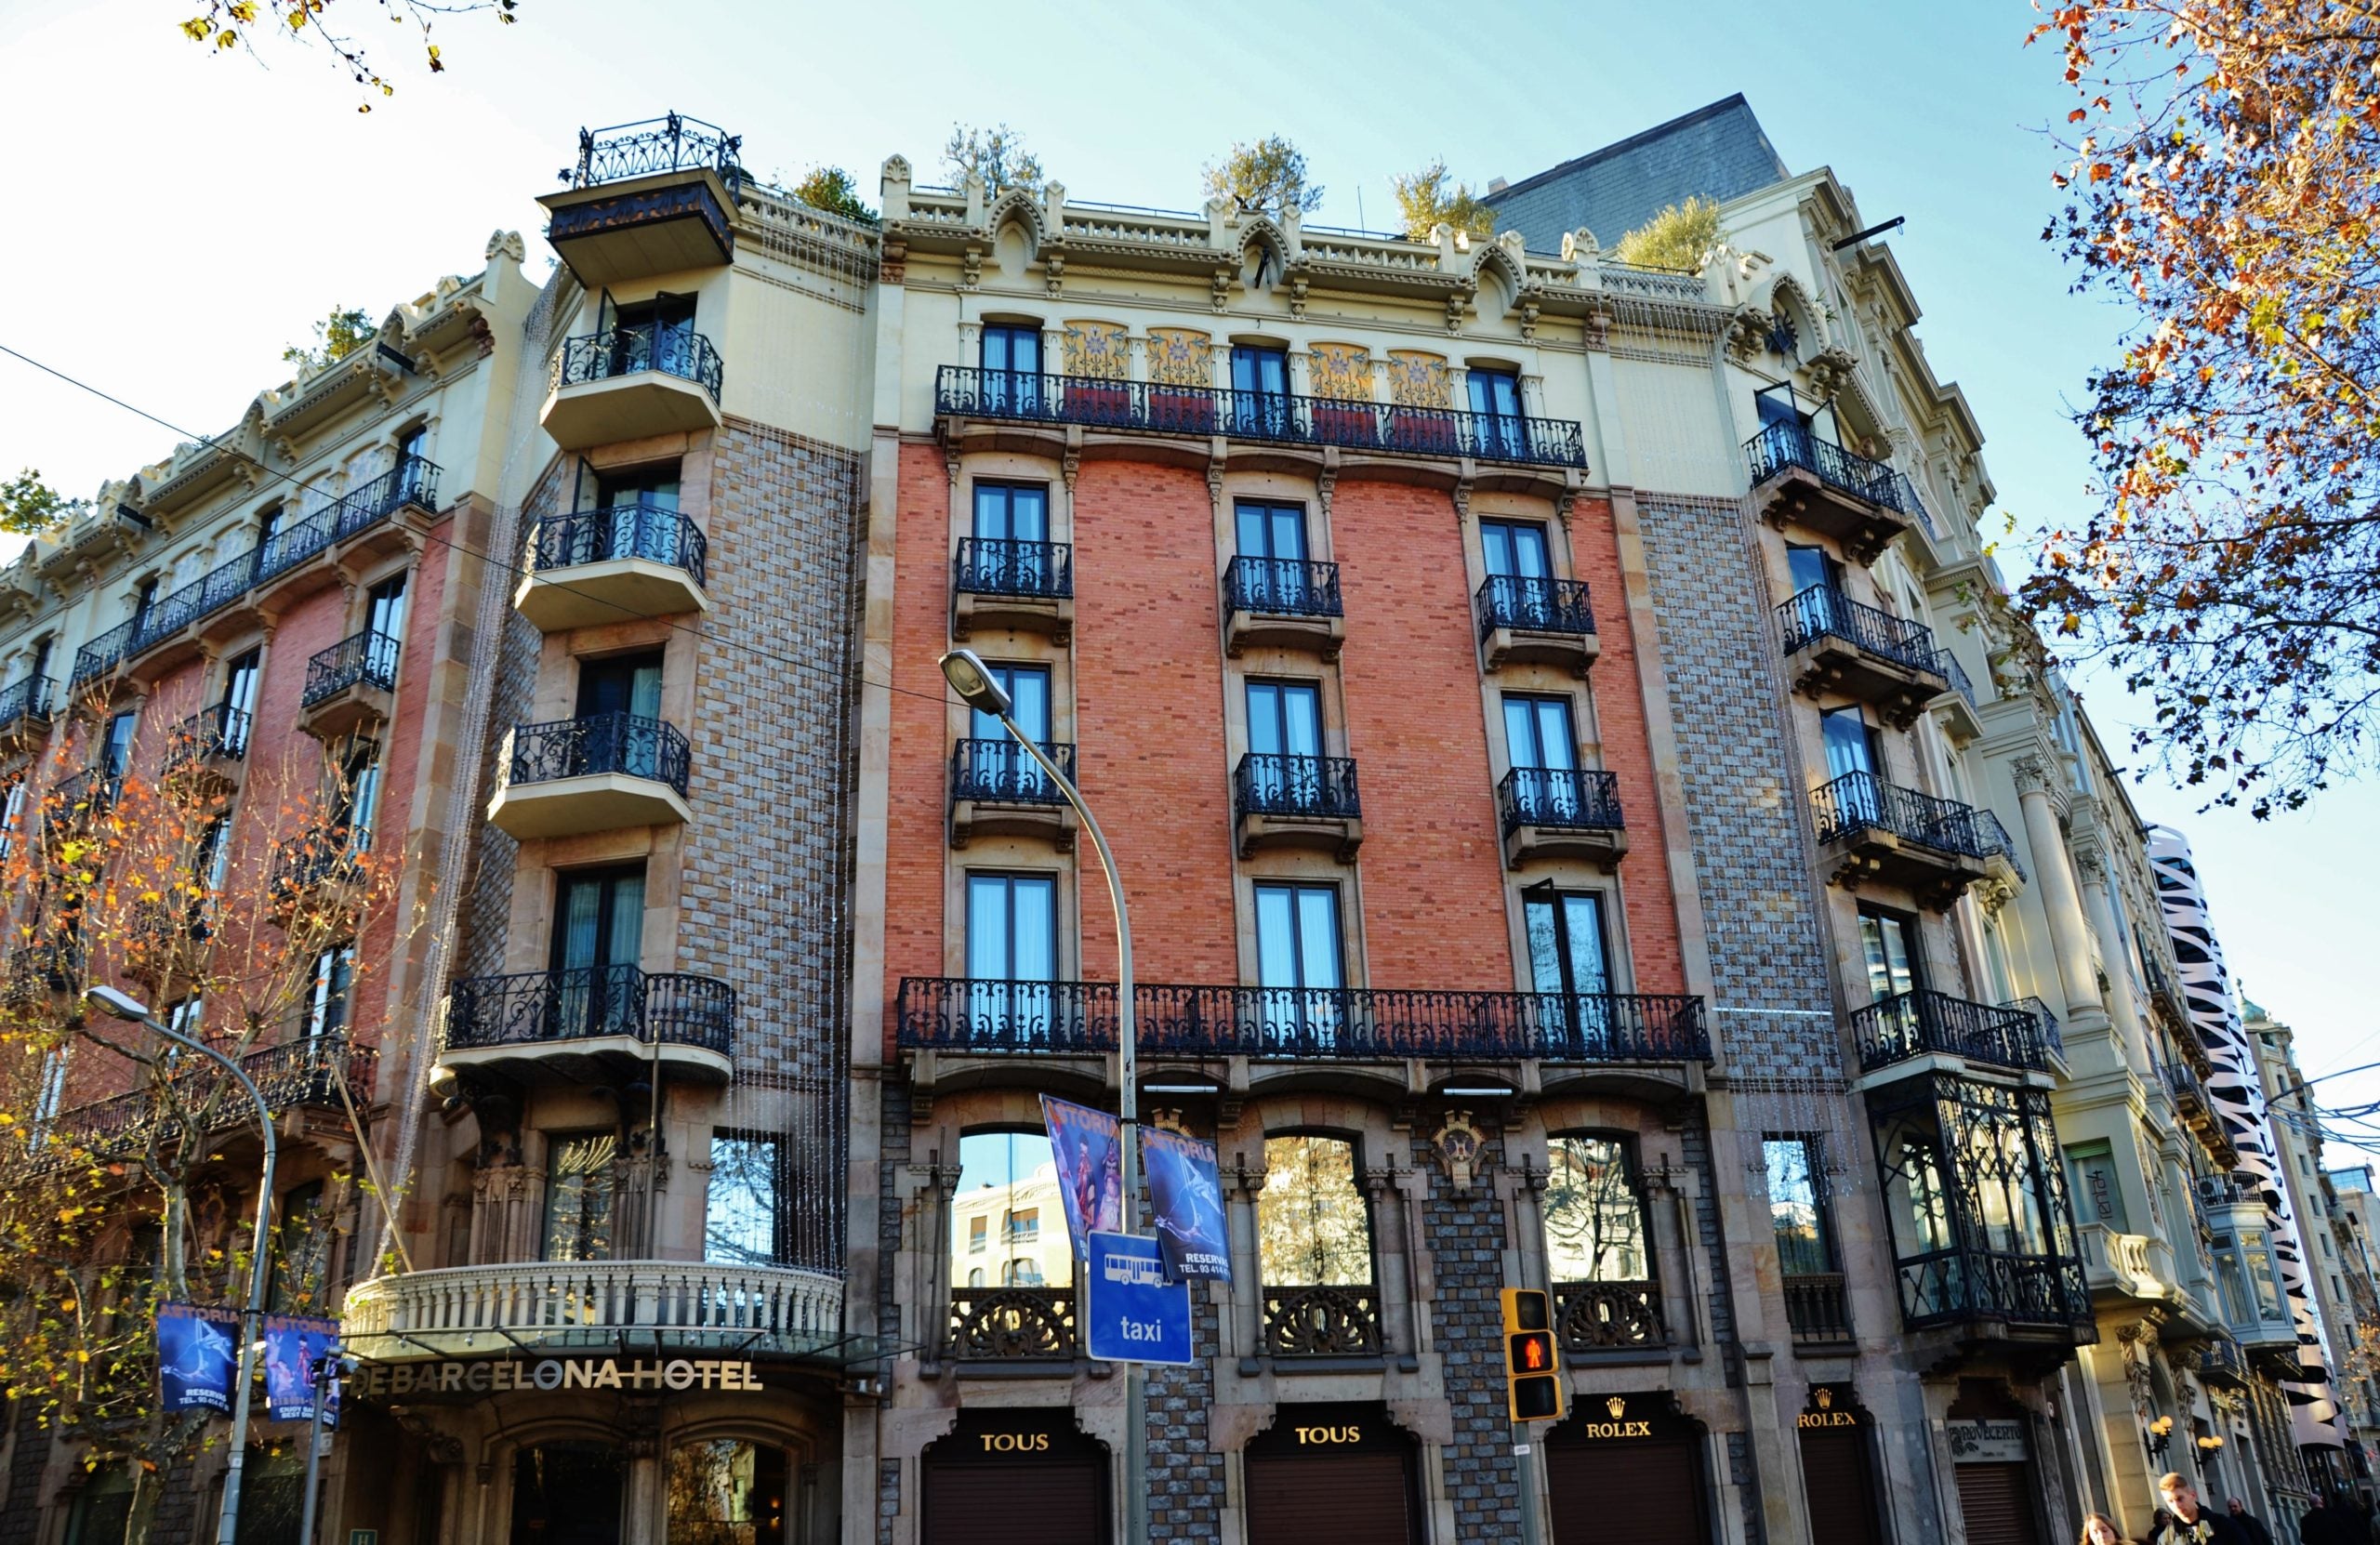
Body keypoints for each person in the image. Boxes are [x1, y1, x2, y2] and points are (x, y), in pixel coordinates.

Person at [2153, 1473, 2248, 1544]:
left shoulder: (2224, 1525)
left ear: (2193, 1495)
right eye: (2170, 1501)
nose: (2177, 1505)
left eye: (2180, 1499)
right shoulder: (2166, 1538)